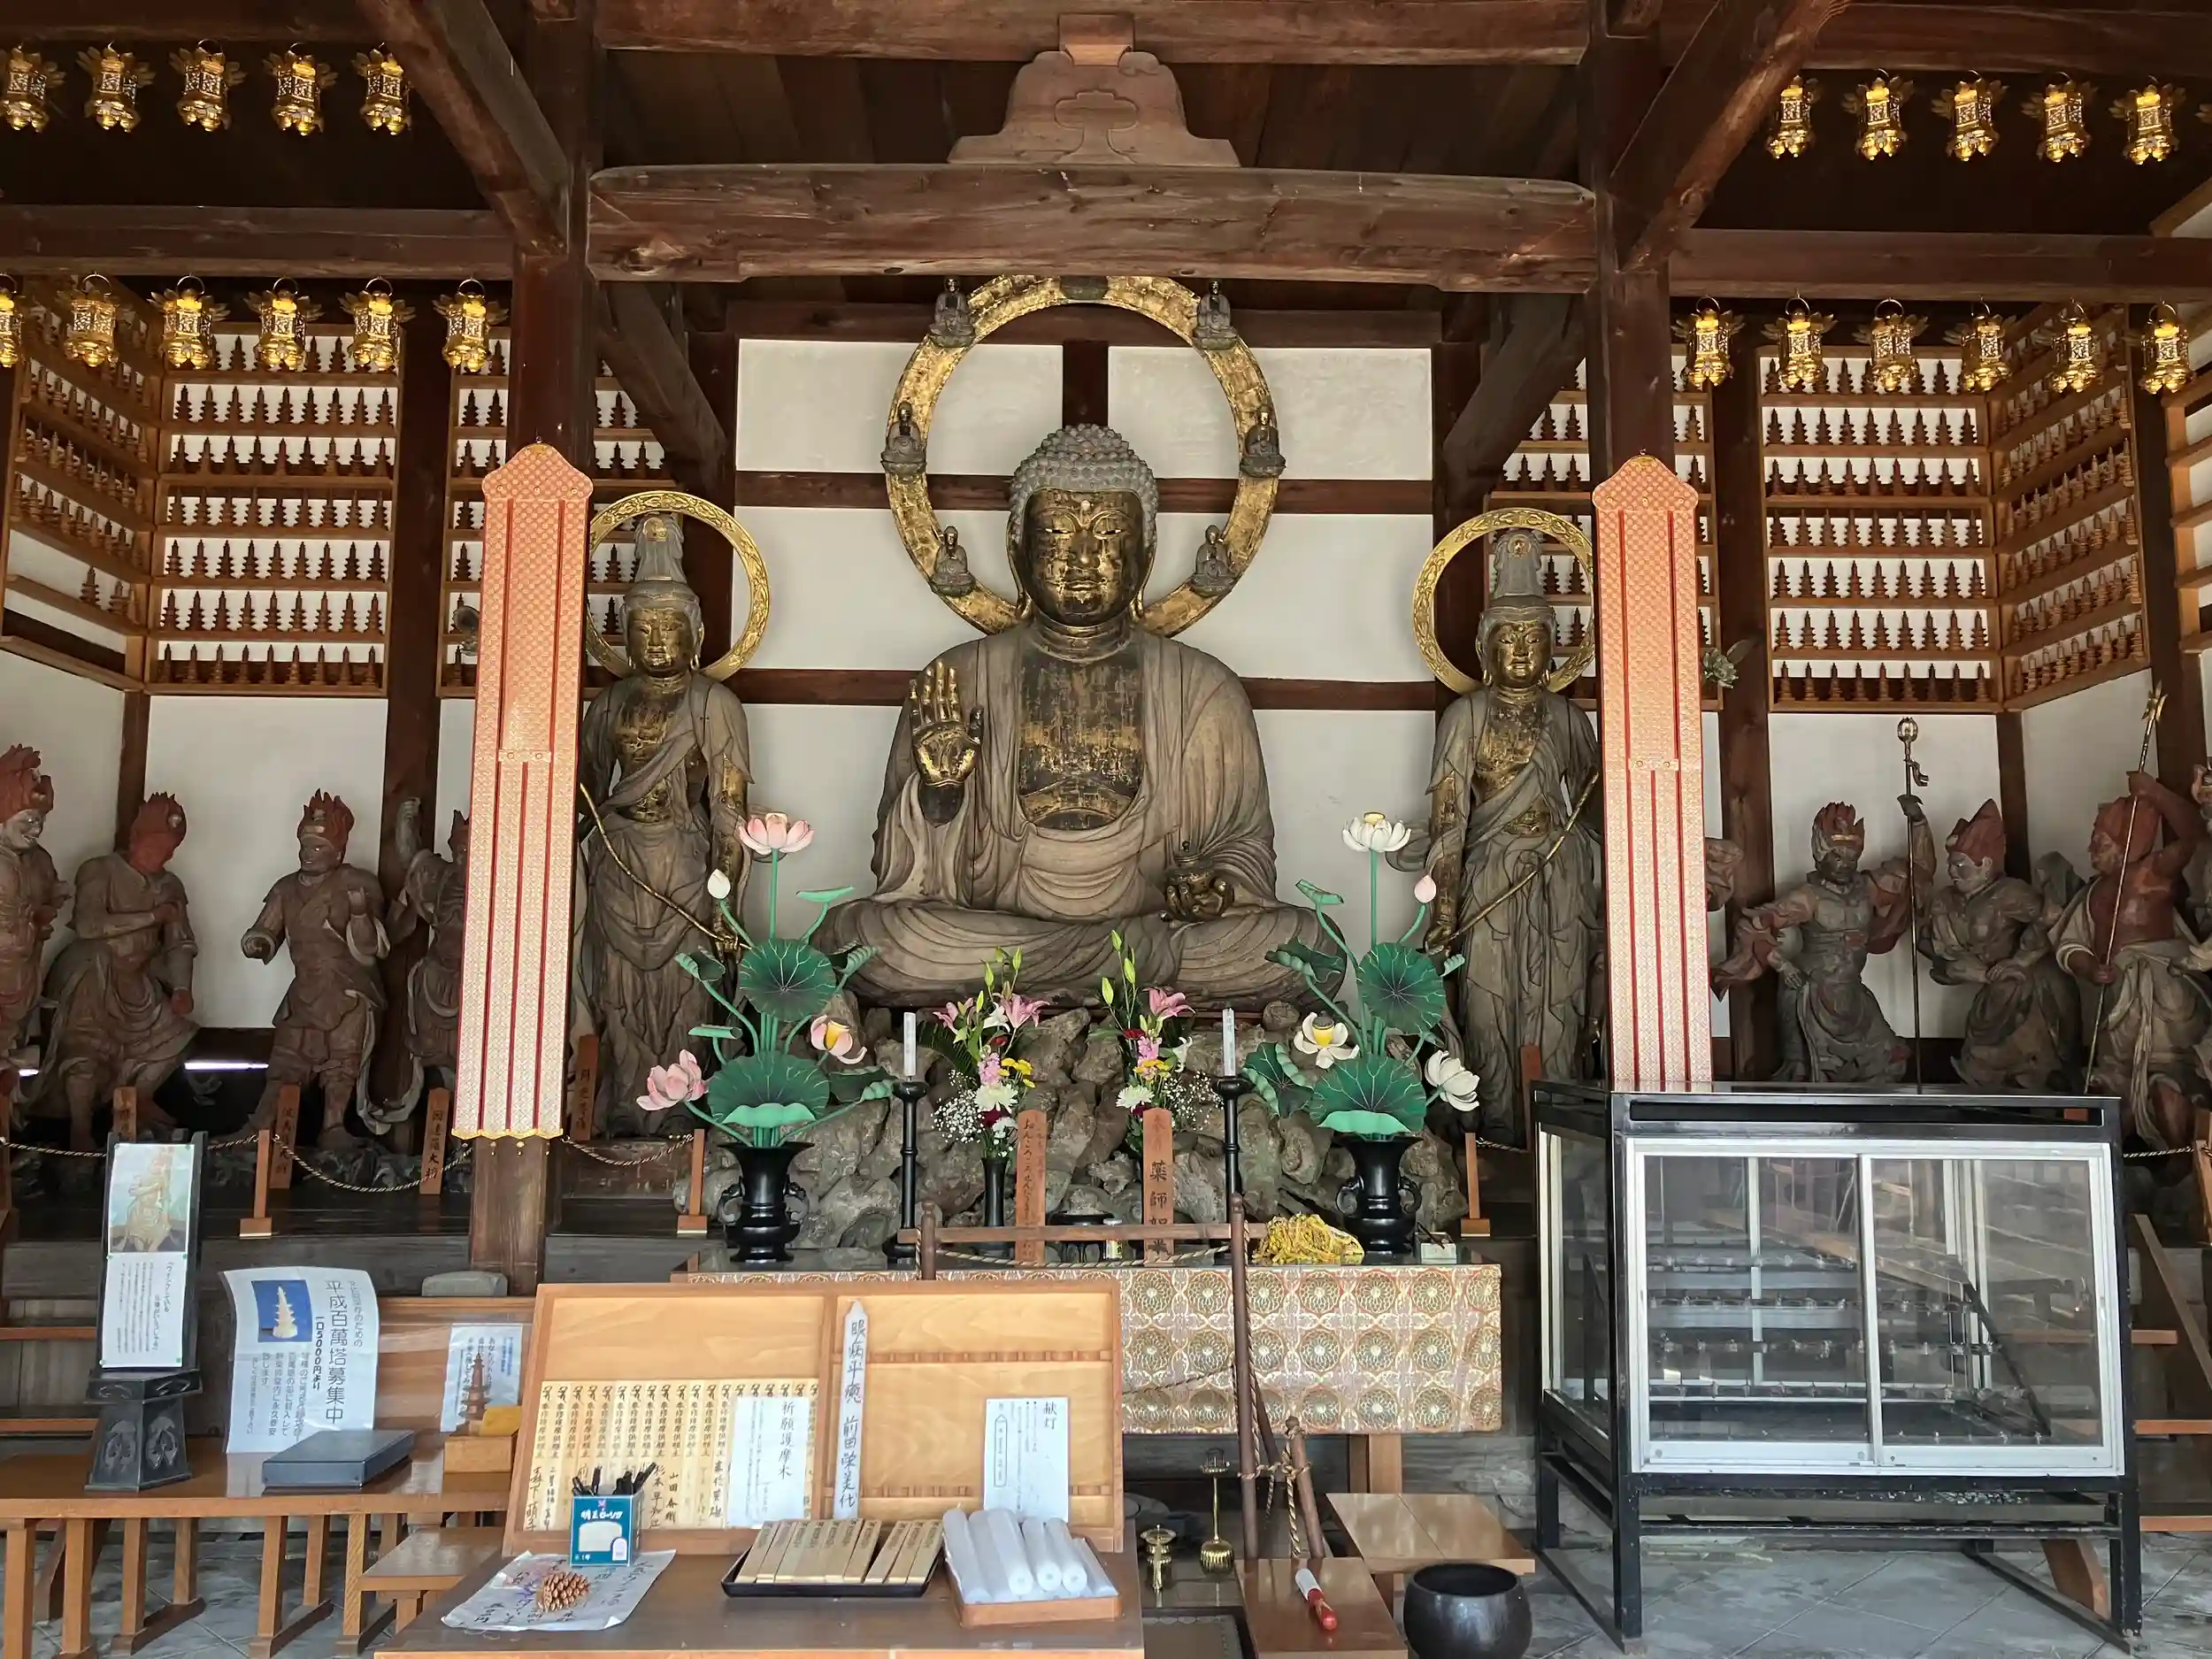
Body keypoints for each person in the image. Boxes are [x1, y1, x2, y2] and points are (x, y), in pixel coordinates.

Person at [824, 424, 1321, 1005]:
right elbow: (906, 879)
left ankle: (1064, 975)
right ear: (1017, 551)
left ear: (1147, 553)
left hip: (1127, 939)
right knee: (863, 938)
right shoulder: (958, 678)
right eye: (1057, 533)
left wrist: (1217, 890)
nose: (1082, 558)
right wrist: (940, 794)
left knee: (1305, 945)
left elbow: (1242, 849)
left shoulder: (1204, 688)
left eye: (1108, 533)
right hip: (1034, 937)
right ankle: (1113, 973)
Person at [1412, 529, 1602, 1137]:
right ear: (1482, 646)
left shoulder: (1569, 719)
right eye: (1508, 638)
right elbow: (1449, 822)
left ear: (1555, 646)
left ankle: (1560, 1140)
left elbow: (1596, 813)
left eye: (1535, 638)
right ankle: (1490, 1138)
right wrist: (1443, 913)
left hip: (1561, 882)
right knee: (1487, 1008)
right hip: (1490, 882)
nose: (1521, 651)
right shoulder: (1465, 716)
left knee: (1558, 1011)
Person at [574, 512, 751, 1133]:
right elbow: (586, 791)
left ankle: (683, 1114)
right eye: (642, 626)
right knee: (617, 989)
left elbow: (729, 808)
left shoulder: (713, 703)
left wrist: (724, 900)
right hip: (620, 861)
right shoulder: (610, 703)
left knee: (687, 988)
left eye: (668, 625)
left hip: (685, 863)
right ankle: (624, 1110)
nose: (655, 640)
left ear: (695, 632)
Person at [35, 795, 196, 1149]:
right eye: (155, 847)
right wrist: (151, 916)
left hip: (137, 980)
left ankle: (137, 1097)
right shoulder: (99, 870)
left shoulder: (170, 887)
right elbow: (89, 925)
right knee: (85, 1051)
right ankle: (80, 1129)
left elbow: (180, 943)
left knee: (177, 1035)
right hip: (93, 971)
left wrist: (182, 987)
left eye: (169, 851)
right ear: (136, 837)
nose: (161, 857)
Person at [243, 792, 388, 1148]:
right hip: (305, 985)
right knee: (287, 1057)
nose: (309, 854)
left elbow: (370, 950)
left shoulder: (357, 882)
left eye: (319, 848)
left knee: (342, 1059)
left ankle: (333, 1125)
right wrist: (258, 941)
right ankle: (260, 1127)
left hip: (349, 986)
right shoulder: (286, 888)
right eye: (305, 847)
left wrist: (359, 912)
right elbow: (266, 929)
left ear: (338, 853)